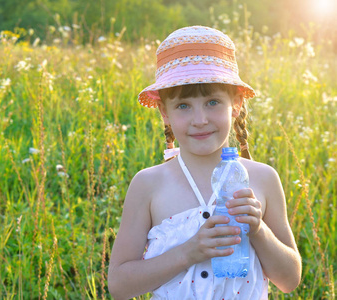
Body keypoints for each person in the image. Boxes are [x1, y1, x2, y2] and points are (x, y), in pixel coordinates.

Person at [108, 26, 301, 300]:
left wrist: (258, 229)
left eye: (212, 102)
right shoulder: (148, 184)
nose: (200, 119)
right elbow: (119, 286)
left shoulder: (263, 179)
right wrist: (189, 252)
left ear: (235, 105)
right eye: (183, 106)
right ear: (164, 112)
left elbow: (289, 280)